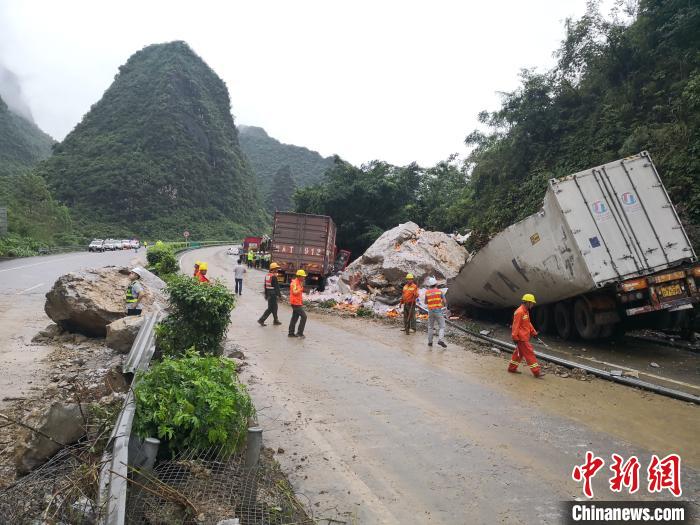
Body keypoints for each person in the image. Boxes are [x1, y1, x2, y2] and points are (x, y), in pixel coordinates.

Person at [508, 293, 543, 378]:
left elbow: (528, 323)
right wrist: (514, 337)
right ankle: (536, 372)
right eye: (532, 303)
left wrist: (534, 333)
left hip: (524, 337)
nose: (533, 304)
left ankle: (512, 368)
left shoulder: (525, 311)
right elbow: (515, 326)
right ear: (527, 302)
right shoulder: (519, 312)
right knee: (530, 353)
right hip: (521, 338)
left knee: (518, 354)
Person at [424, 277, 447, 348]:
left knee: (430, 327)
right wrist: (444, 305)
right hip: (438, 310)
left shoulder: (427, 292)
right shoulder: (439, 291)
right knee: (442, 326)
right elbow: (444, 301)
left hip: (430, 311)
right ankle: (440, 340)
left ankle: (430, 342)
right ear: (436, 284)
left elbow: (425, 302)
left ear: (430, 285)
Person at [288, 269, 307, 338]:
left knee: (294, 318)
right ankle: (299, 333)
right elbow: (294, 292)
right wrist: (301, 289)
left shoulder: (299, 282)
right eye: (303, 276)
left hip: (297, 303)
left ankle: (291, 333)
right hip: (295, 303)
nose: (304, 278)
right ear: (299, 276)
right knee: (304, 317)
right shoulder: (294, 283)